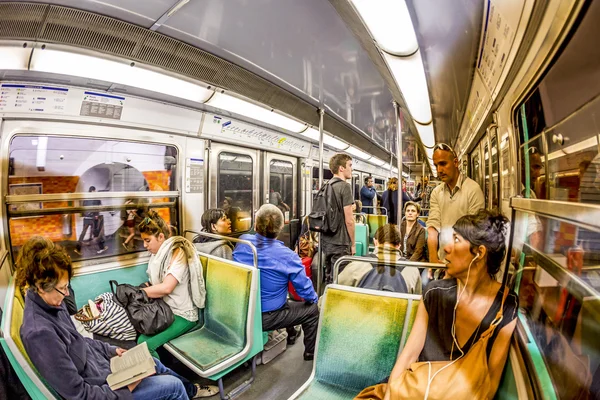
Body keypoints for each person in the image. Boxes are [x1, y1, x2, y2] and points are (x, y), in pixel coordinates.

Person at [17, 236, 217, 399]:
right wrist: (126, 386)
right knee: (172, 386)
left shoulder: (53, 305)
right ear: (42, 287)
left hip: (103, 369)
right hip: (104, 388)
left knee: (152, 362)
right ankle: (181, 392)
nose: (67, 294)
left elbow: (80, 343)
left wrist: (111, 350)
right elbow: (80, 395)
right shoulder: (39, 333)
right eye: (62, 289)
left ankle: (191, 391)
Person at [380, 210, 518, 399]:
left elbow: (491, 383)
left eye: (457, 240)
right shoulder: (435, 293)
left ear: (479, 253)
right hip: (418, 390)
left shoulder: (505, 305)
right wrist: (389, 395)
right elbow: (408, 356)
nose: (446, 248)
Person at [136, 210, 213, 392]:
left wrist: (139, 292)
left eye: (148, 240)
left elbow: (166, 288)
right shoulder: (158, 255)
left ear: (161, 236)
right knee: (139, 336)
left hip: (184, 315)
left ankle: (186, 389)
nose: (145, 245)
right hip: (167, 310)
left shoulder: (178, 252)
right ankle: (162, 382)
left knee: (146, 347)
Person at [233, 204, 319, 361]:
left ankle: (291, 334)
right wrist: (314, 299)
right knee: (311, 310)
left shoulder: (243, 242)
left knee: (286, 303)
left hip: (240, 310)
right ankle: (310, 353)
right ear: (280, 228)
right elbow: (304, 290)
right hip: (265, 317)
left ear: (256, 223)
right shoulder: (288, 256)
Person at [426, 143, 484, 269]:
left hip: (466, 264)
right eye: (436, 166)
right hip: (444, 262)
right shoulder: (436, 193)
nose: (439, 170)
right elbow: (433, 228)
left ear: (456, 162)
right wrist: (433, 259)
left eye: (443, 164)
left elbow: (474, 232)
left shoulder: (473, 190)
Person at [338, 224, 421, 294]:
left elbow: (336, 290)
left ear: (375, 242)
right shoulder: (412, 270)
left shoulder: (358, 265)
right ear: (399, 245)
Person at [320, 153, 355, 283]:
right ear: (341, 168)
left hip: (326, 241)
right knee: (341, 280)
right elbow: (349, 221)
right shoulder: (345, 186)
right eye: (350, 165)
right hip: (340, 243)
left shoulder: (326, 185)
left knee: (329, 278)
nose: (351, 169)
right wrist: (353, 244)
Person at [75, 186, 107, 255]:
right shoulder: (96, 198)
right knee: (96, 233)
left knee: (83, 233)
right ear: (93, 190)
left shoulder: (86, 198)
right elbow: (100, 207)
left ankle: (77, 249)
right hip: (93, 219)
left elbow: (83, 208)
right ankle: (101, 248)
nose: (95, 192)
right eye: (95, 190)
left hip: (86, 219)